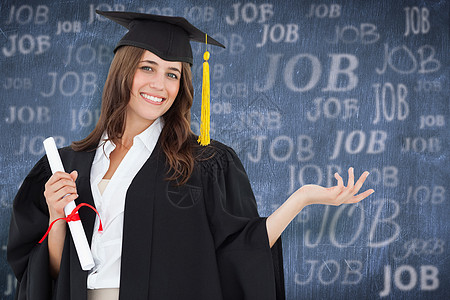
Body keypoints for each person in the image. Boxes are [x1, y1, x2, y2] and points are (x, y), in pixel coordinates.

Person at [7, 10, 374, 300]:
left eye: (173, 74)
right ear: (123, 72)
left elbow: (239, 251)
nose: (159, 85)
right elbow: (50, 274)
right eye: (147, 68)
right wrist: (57, 214)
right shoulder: (69, 163)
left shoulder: (202, 163)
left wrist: (302, 198)